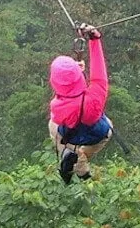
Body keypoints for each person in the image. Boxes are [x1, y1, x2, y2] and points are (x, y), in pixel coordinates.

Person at [48, 23, 112, 184]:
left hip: (72, 137)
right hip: (97, 136)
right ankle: (81, 164)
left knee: (52, 125)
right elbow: (99, 75)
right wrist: (95, 40)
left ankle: (69, 155)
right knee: (108, 125)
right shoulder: (95, 99)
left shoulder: (57, 106)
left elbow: (64, 92)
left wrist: (74, 74)